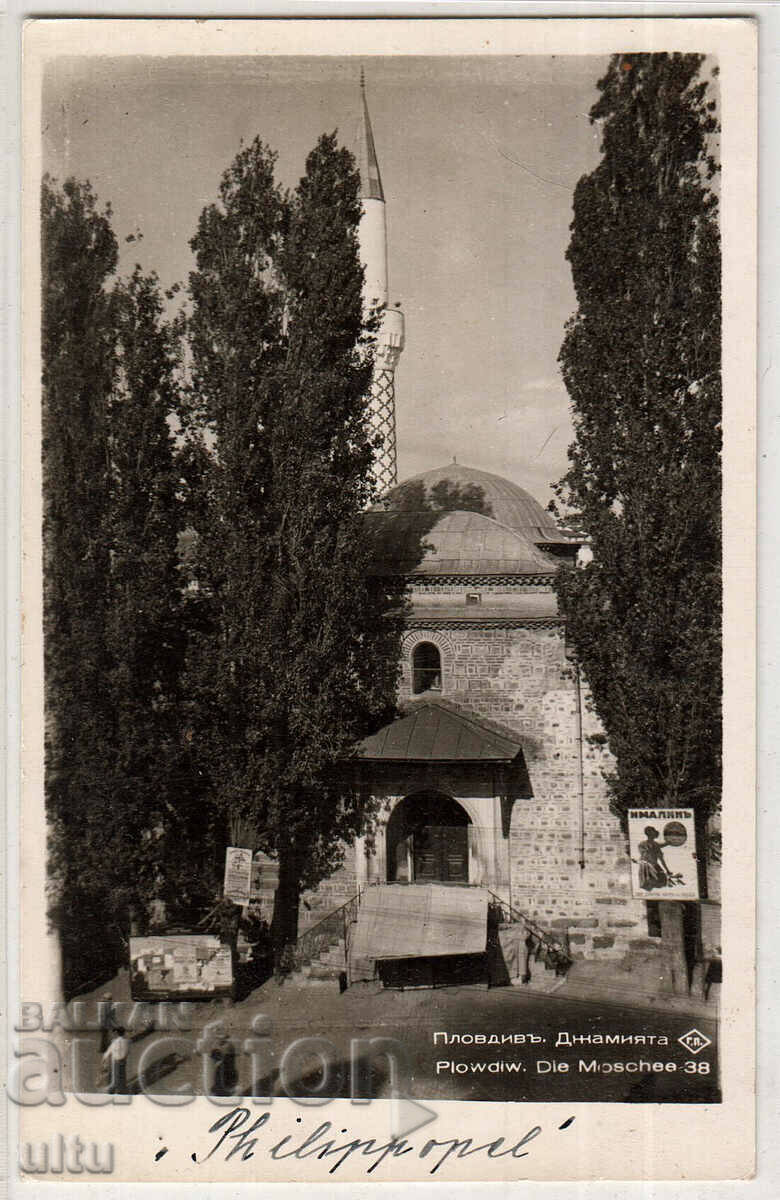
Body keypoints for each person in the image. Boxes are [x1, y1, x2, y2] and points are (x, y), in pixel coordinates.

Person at [637, 826, 671, 891]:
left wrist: (667, 870)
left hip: (654, 866)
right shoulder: (642, 844)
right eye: (653, 832)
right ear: (649, 833)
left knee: (662, 881)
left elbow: (661, 859)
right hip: (646, 867)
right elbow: (644, 856)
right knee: (649, 884)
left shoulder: (656, 845)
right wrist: (663, 845)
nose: (655, 833)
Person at [102, 1025, 130, 1094]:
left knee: (115, 1075)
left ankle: (113, 1089)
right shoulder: (127, 1041)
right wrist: (125, 1056)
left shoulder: (114, 1041)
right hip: (123, 1060)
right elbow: (128, 1051)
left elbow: (109, 1050)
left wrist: (104, 1058)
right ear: (124, 1033)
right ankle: (122, 1089)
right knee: (122, 1075)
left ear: (117, 1033)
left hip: (115, 1060)